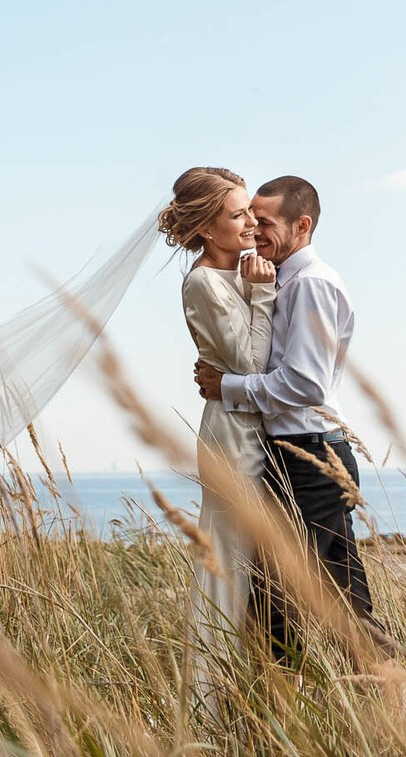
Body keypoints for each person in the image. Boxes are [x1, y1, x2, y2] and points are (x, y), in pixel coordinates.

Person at [194, 174, 378, 665]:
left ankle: (391, 702)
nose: (255, 228)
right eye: (248, 216)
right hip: (288, 456)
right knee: (277, 604)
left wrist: (226, 387)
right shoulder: (279, 279)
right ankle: (278, 714)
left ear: (302, 225)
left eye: (266, 221)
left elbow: (305, 385)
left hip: (314, 459)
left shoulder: (312, 285)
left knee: (336, 605)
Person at [158, 166, 275, 702]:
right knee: (229, 565)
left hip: (252, 426)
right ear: (207, 227)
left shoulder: (246, 270)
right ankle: (208, 703)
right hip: (232, 437)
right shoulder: (205, 281)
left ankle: (248, 694)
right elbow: (250, 362)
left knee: (258, 572)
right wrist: (262, 294)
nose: (252, 222)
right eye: (238, 214)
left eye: (250, 210)